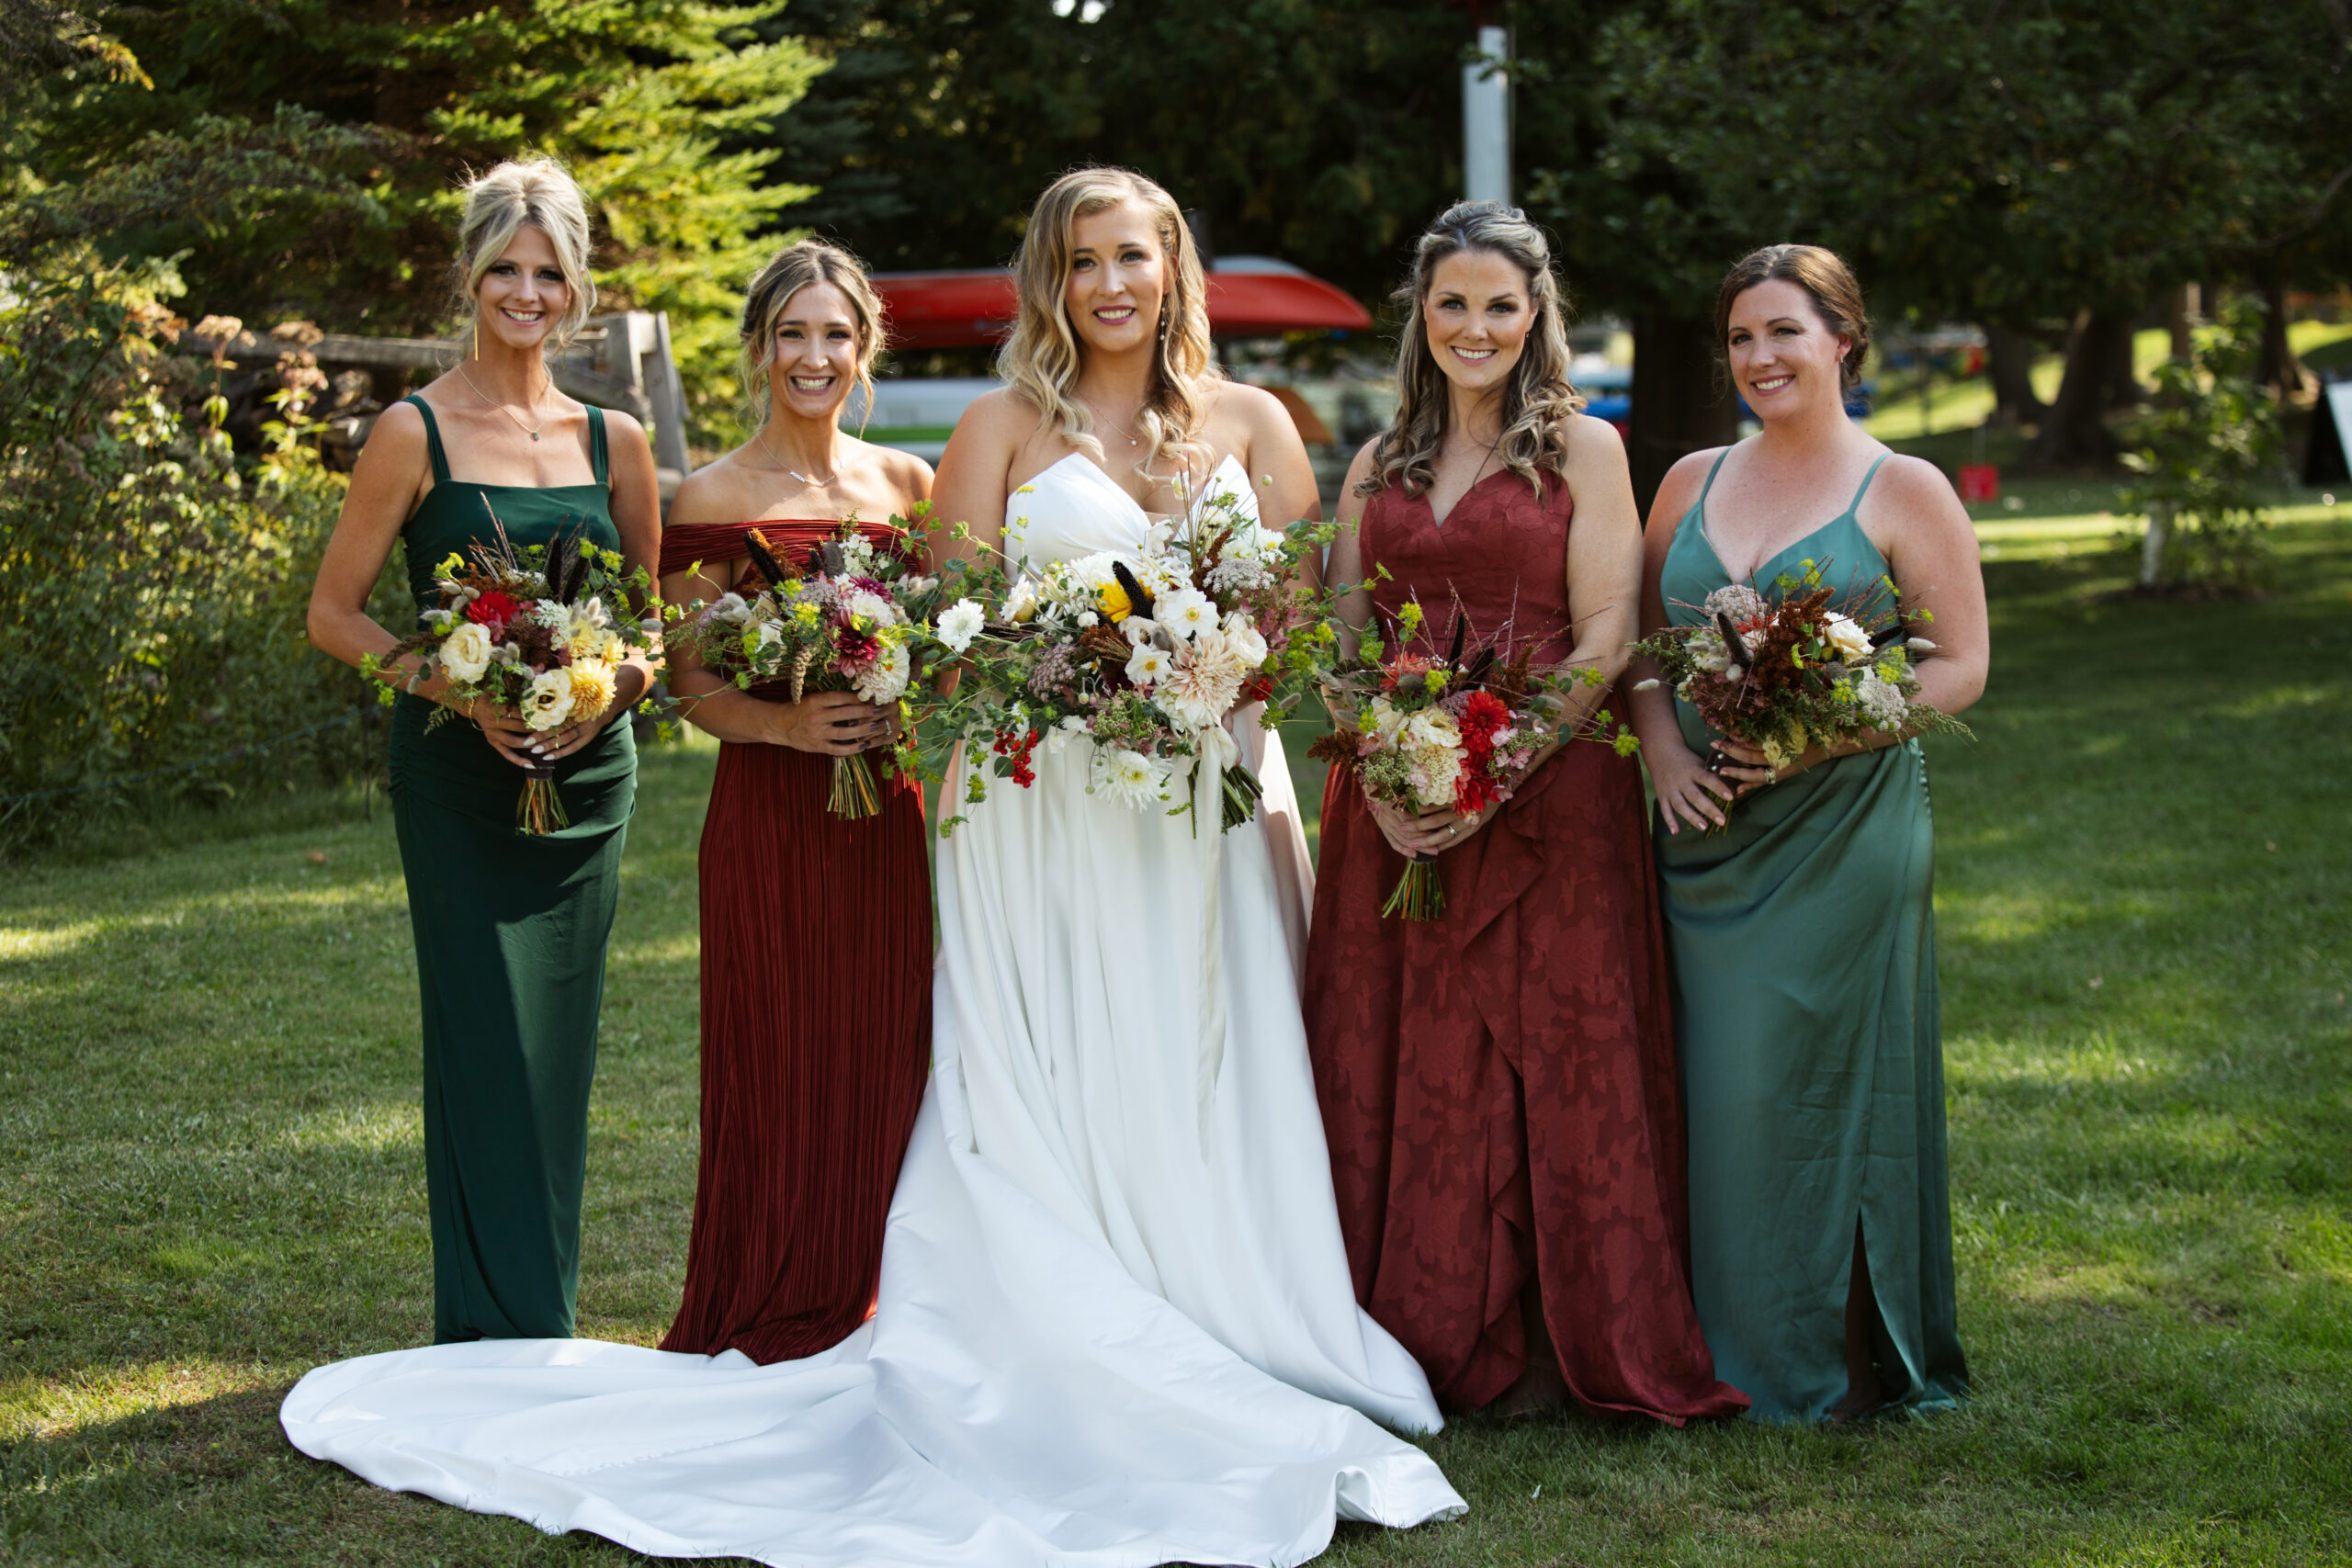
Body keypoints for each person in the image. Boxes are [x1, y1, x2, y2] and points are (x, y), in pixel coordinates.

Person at [282, 168, 1462, 1567]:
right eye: (1083, 259)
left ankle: (1235, 1302)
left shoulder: (1252, 424)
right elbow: (941, 621)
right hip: (1051, 807)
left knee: (1214, 1055)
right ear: (1052, 277)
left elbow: (1295, 611)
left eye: (1132, 255)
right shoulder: (994, 428)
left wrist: (1207, 667)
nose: (1110, 283)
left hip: (1206, 793)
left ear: (1172, 264)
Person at [1303, 200, 1747, 1424]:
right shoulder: (1375, 462)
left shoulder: (1587, 453)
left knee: (1557, 1050)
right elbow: (1342, 643)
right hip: (1395, 807)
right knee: (1408, 1054)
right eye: (1453, 303)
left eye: (1501, 304)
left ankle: (1565, 1340)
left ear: (1537, 313)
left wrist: (1492, 766)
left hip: (1556, 794)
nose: (1476, 326)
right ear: (1422, 316)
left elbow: (1605, 631)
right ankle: (1408, 1329)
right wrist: (1396, 781)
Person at [1628, 243, 1987, 1423]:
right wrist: (1667, 753)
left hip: (1842, 833)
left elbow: (1961, 665)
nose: (1760, 357)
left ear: (1843, 338)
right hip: (1700, 832)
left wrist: (1824, 735)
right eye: (1740, 338)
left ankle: (1822, 1356)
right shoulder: (1686, 480)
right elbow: (1639, 649)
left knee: (1809, 1083)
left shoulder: (1902, 488)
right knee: (1710, 1086)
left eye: (1785, 331)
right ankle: (1695, 1341)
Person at [304, 157, 662, 1343]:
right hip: (459, 784)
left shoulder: (616, 438)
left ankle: (539, 1320)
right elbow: (337, 611)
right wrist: (459, 695)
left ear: (577, 288)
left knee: (558, 1055)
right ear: (470, 275)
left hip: (590, 783)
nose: (526, 290)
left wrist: (609, 692)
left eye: (547, 271)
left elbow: (649, 624)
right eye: (505, 268)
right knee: (484, 1040)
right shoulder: (413, 431)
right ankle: (491, 1328)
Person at [655, 240, 934, 1365]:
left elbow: (946, 649)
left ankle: (873, 1293)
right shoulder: (712, 494)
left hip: (884, 819)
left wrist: (908, 709)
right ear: (760, 349)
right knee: (775, 1057)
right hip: (770, 812)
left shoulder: (908, 487)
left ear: (862, 349)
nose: (812, 357)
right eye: (791, 335)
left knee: (886, 1056)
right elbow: (689, 680)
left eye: (833, 335)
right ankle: (767, 1293)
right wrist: (787, 724)